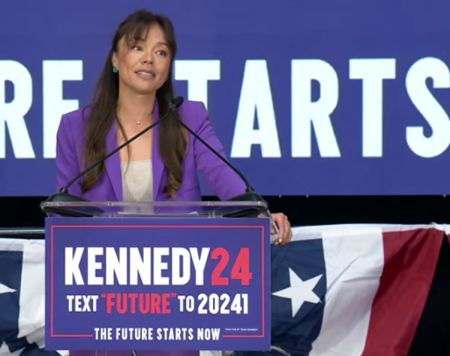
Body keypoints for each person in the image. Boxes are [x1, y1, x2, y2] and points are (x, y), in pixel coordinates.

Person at [55, 8, 293, 356]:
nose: (149, 58)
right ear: (115, 60)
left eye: (161, 51)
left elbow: (224, 177)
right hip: (104, 290)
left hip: (172, 292)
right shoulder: (75, 127)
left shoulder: (189, 116)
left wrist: (258, 213)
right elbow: (65, 213)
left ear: (168, 67)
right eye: (137, 47)